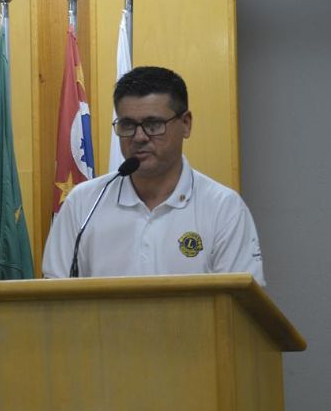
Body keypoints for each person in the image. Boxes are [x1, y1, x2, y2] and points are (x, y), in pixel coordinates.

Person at [42, 66, 265, 285]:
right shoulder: (84, 203)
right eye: (128, 125)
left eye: (153, 124)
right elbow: (55, 296)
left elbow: (239, 303)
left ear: (186, 124)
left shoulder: (223, 208)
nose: (139, 137)